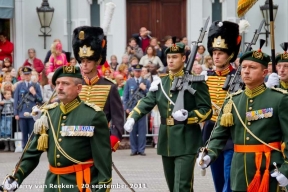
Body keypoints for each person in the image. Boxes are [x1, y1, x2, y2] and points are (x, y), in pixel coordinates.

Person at [2, 65, 112, 192]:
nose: (59, 87)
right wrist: (15, 178)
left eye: (65, 83)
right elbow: (32, 154)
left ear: (79, 88)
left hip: (80, 185)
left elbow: (103, 162)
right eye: (58, 83)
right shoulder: (48, 114)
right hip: (52, 185)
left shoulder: (93, 115)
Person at [197, 43, 288, 191]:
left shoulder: (279, 99)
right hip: (239, 169)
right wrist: (210, 153)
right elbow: (219, 133)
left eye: (252, 68)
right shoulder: (233, 100)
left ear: (264, 72)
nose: (246, 71)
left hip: (268, 168)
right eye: (244, 67)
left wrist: (286, 169)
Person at [124, 40, 212, 191]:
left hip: (186, 139)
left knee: (182, 187)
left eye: (175, 57)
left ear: (183, 59)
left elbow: (207, 110)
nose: (170, 61)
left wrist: (188, 116)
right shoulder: (161, 82)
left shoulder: (195, 81)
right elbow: (147, 101)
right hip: (167, 141)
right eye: (169, 57)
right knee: (172, 186)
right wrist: (133, 116)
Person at [201, 20, 241, 192]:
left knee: (229, 181)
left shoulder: (238, 77)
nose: (216, 56)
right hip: (211, 131)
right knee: (218, 181)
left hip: (231, 134)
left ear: (230, 55)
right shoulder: (205, 77)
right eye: (214, 52)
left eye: (221, 53)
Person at [72, 26, 124, 152]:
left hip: (100, 140)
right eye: (82, 60)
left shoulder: (109, 86)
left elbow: (118, 118)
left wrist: (113, 139)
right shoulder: (74, 84)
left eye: (88, 61)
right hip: (75, 141)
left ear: (97, 61)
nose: (84, 64)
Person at [123, 64, 151, 156]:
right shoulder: (129, 82)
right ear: (133, 71)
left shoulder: (146, 82)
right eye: (136, 71)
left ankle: (141, 149)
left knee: (142, 130)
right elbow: (125, 96)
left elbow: (151, 95)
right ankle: (134, 149)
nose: (138, 72)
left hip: (142, 109)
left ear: (141, 71)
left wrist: (145, 88)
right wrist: (126, 108)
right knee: (132, 130)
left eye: (139, 71)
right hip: (132, 109)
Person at [13, 66, 43, 148]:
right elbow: (16, 100)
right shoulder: (19, 86)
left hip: (32, 113)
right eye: (25, 74)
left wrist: (34, 93)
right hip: (22, 113)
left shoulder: (36, 85)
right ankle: (24, 150)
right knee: (24, 134)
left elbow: (40, 99)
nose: (27, 76)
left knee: (32, 133)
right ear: (22, 75)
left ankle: (32, 149)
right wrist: (16, 113)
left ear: (30, 75)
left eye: (28, 74)